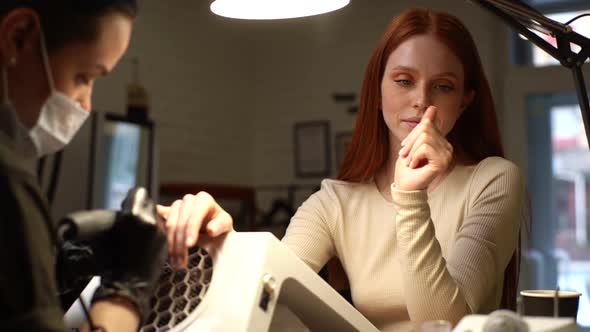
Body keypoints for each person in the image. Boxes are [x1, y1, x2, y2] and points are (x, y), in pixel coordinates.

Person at [162, 7, 525, 332]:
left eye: (443, 86)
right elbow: (269, 290)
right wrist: (219, 242)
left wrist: (410, 198)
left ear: (464, 101)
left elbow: (447, 324)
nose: (421, 100)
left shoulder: (493, 180)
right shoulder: (336, 202)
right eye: (403, 80)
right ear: (377, 89)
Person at [0, 1, 168, 331]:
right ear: (19, 36)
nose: (86, 105)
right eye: (85, 76)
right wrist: (126, 290)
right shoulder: (8, 179)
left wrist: (51, 270)